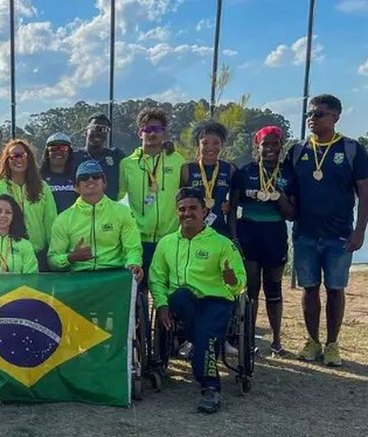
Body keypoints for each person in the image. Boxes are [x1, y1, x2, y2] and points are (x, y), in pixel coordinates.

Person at [282, 94, 368, 366]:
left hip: (339, 235)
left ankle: (332, 344)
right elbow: (287, 190)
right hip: (305, 233)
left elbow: (364, 192)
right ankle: (312, 341)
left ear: (335, 116)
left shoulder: (352, 149)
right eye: (310, 113)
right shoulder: (297, 151)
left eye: (319, 114)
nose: (312, 118)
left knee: (335, 289)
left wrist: (359, 231)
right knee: (309, 288)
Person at [149, 187, 246, 414]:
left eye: (193, 208)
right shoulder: (167, 243)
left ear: (204, 210)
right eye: (182, 209)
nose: (187, 213)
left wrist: (232, 280)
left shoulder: (222, 244)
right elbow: (156, 279)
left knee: (205, 332)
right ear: (176, 213)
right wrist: (162, 305)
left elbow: (240, 284)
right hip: (183, 303)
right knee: (183, 297)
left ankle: (211, 388)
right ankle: (203, 343)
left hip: (216, 301)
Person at [229, 126, 295, 357]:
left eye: (275, 144)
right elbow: (232, 210)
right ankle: (248, 340)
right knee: (251, 290)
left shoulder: (288, 173)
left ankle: (277, 342)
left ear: (281, 146)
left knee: (274, 289)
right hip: (248, 233)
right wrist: (235, 238)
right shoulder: (244, 172)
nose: (270, 149)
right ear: (256, 146)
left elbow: (292, 214)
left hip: (275, 233)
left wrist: (280, 198)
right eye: (265, 144)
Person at [48, 160, 143, 280]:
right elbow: (52, 260)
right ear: (76, 187)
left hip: (114, 276)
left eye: (96, 176)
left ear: (104, 183)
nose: (90, 180)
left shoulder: (123, 212)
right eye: (84, 177)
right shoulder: (64, 218)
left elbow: (133, 248)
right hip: (79, 279)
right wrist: (71, 258)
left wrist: (134, 264)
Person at [119, 107, 185, 280]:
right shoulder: (127, 164)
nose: (152, 133)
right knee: (139, 293)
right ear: (139, 133)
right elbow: (118, 198)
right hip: (138, 240)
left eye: (157, 129)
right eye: (148, 129)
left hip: (170, 238)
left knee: (166, 292)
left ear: (164, 132)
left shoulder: (178, 160)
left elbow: (186, 195)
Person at [0, 139, 57, 270]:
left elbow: (51, 223)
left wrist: (54, 254)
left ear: (29, 158)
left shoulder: (43, 188)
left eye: (23, 155)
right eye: (14, 156)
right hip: (6, 257)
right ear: (7, 160)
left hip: (37, 256)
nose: (18, 159)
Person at [181, 121, 235, 237]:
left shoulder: (229, 169)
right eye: (205, 143)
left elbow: (234, 204)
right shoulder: (187, 169)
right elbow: (179, 202)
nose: (210, 147)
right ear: (198, 145)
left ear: (222, 145)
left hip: (220, 231)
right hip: (193, 232)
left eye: (216, 143)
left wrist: (228, 205)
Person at [74, 113, 126, 199]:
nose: (99, 133)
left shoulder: (116, 155)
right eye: (95, 128)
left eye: (104, 130)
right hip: (81, 210)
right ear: (85, 131)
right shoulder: (73, 156)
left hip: (109, 210)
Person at [39, 132, 79, 214]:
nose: (58, 152)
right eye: (53, 149)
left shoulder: (77, 176)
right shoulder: (38, 176)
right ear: (47, 153)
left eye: (63, 148)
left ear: (69, 152)